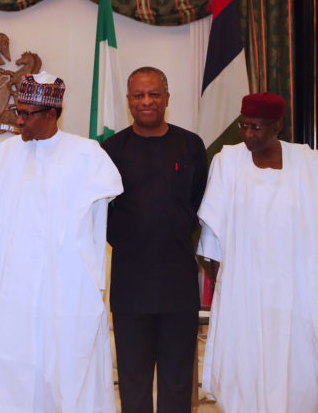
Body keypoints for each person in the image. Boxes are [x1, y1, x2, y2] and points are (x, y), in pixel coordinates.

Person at [0, 72, 123, 412]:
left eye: (26, 114)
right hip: (16, 292)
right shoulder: (3, 155)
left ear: (51, 114)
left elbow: (100, 227)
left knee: (69, 372)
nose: (18, 120)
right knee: (17, 374)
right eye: (17, 111)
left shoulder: (87, 156)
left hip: (67, 290)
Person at [197, 92, 318, 412]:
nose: (248, 134)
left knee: (295, 361)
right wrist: (228, 285)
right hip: (244, 289)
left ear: (278, 125)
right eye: (244, 126)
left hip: (297, 288)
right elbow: (212, 234)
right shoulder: (228, 161)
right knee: (245, 362)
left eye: (257, 128)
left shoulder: (307, 163)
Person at [101, 67, 207, 413]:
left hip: (178, 279)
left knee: (178, 378)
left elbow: (199, 204)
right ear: (129, 100)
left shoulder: (190, 145)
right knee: (133, 376)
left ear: (167, 98)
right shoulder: (111, 149)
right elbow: (102, 213)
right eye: (139, 95)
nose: (147, 101)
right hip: (131, 282)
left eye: (154, 94)